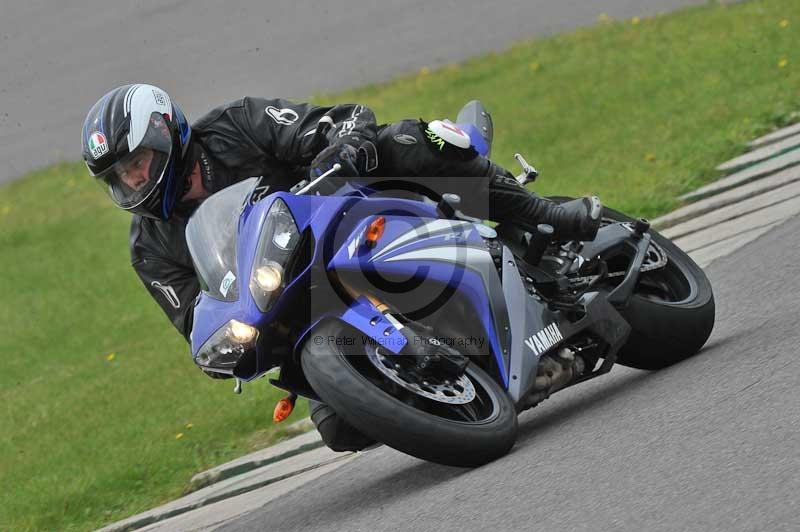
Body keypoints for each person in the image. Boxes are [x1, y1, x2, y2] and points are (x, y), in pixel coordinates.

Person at [81, 83, 601, 452]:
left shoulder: (237, 124)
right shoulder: (150, 248)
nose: (132, 182)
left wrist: (340, 147)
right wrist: (221, 346)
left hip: (347, 216)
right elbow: (195, 315)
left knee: (404, 140)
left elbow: (339, 120)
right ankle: (445, 390)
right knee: (339, 428)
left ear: (165, 136)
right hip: (291, 299)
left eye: (137, 163)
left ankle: (544, 216)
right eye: (119, 178)